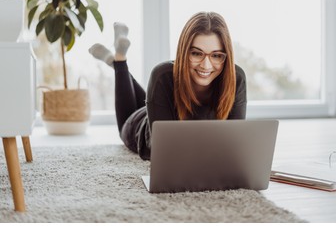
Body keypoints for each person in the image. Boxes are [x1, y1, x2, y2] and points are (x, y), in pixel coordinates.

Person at [89, 12, 247, 160]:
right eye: (196, 53)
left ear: (226, 56)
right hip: (142, 125)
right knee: (125, 122)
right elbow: (165, 151)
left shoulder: (236, 78)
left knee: (151, 96)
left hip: (160, 107)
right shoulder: (162, 75)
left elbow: (234, 145)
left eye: (216, 55)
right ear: (183, 52)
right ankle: (120, 61)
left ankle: (116, 62)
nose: (206, 65)